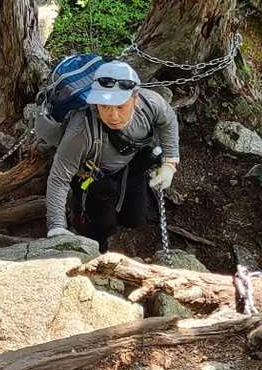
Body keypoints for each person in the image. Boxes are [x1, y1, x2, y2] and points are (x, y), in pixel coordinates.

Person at [45, 58, 178, 252]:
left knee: (135, 218)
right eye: (105, 106)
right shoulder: (81, 131)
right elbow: (59, 178)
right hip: (92, 178)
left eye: (120, 106)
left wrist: (170, 163)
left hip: (131, 166)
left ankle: (121, 219)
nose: (113, 116)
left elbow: (168, 121)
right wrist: (56, 226)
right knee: (100, 226)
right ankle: (93, 237)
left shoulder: (151, 103)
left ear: (135, 96)